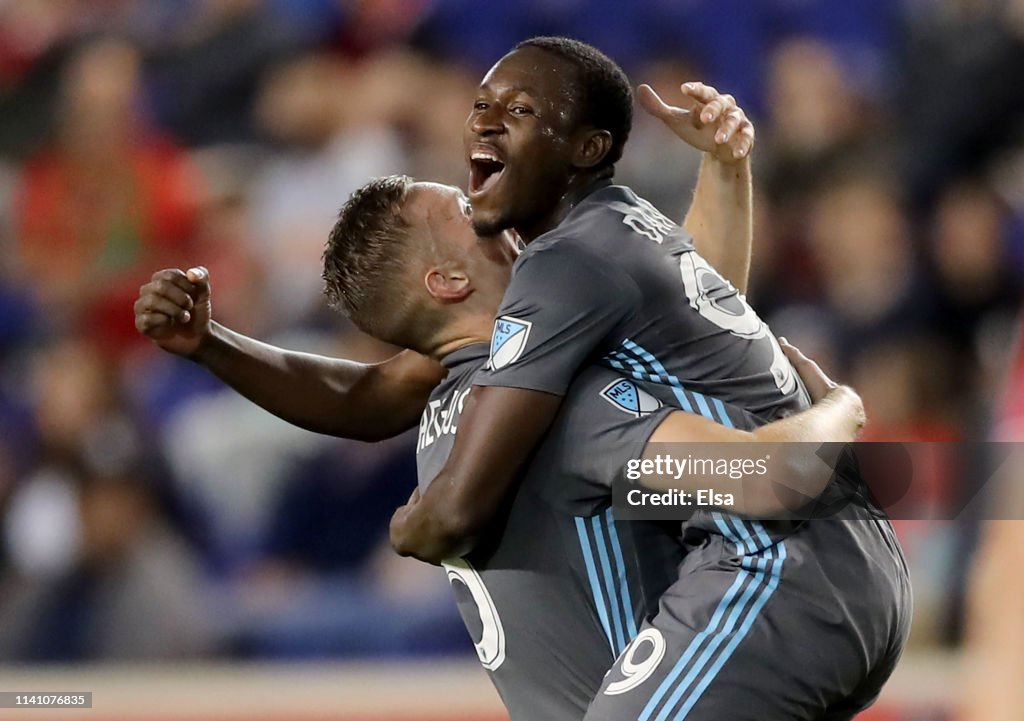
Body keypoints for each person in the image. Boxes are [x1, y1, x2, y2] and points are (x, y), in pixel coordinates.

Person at [136, 83, 867, 719]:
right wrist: (838, 405)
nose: (488, 205)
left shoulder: (469, 393)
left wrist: (211, 343)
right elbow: (770, 475)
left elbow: (359, 396)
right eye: (463, 210)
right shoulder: (554, 396)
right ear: (448, 282)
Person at [372, 37, 909, 721]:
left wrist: (842, 407)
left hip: (776, 571)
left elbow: (750, 453)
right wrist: (840, 405)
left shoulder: (547, 305)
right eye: (481, 106)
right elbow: (752, 433)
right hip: (816, 561)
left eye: (519, 108)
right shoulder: (602, 271)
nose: (483, 127)